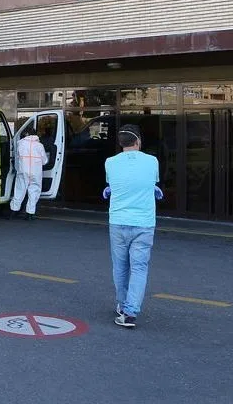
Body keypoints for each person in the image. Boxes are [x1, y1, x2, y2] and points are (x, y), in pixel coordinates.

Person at [103, 124, 161, 329]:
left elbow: (115, 184)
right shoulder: (152, 161)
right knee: (139, 267)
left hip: (118, 221)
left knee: (120, 266)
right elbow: (150, 182)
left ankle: (122, 304)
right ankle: (130, 311)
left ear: (121, 143)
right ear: (137, 141)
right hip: (144, 222)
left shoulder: (110, 162)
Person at [9, 126, 49, 220]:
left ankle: (13, 212)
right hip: (36, 172)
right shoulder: (40, 146)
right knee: (34, 192)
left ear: (26, 134)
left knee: (19, 191)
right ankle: (30, 214)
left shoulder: (20, 143)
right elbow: (44, 161)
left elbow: (16, 158)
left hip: (23, 171)